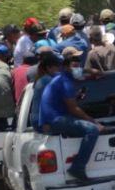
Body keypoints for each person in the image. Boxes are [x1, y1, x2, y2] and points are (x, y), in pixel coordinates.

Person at [38, 49, 105, 182]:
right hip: (55, 120)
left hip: (56, 119)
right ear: (65, 66)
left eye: (79, 65)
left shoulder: (61, 77)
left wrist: (90, 71)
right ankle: (77, 168)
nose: (78, 68)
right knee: (92, 130)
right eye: (74, 65)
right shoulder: (65, 81)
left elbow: (68, 103)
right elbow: (74, 109)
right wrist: (95, 123)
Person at [28, 53, 62, 129]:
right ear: (48, 67)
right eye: (57, 67)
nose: (59, 69)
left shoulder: (43, 78)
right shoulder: (47, 80)